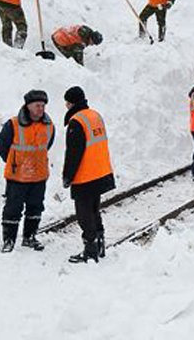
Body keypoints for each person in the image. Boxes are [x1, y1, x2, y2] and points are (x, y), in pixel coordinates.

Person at [0, 90, 54, 253]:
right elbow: (2, 146)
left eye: (43, 106)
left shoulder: (49, 126)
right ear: (28, 106)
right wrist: (14, 161)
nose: (41, 109)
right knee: (13, 208)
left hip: (39, 176)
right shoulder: (13, 125)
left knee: (35, 208)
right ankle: (9, 239)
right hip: (17, 177)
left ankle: (29, 237)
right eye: (37, 105)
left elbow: (47, 145)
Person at [62, 86, 116, 263]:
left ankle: (90, 249)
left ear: (71, 103)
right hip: (100, 171)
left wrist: (67, 176)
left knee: (84, 214)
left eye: (67, 103)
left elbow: (73, 154)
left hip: (85, 175)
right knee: (94, 210)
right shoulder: (95, 115)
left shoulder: (76, 121)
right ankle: (99, 244)